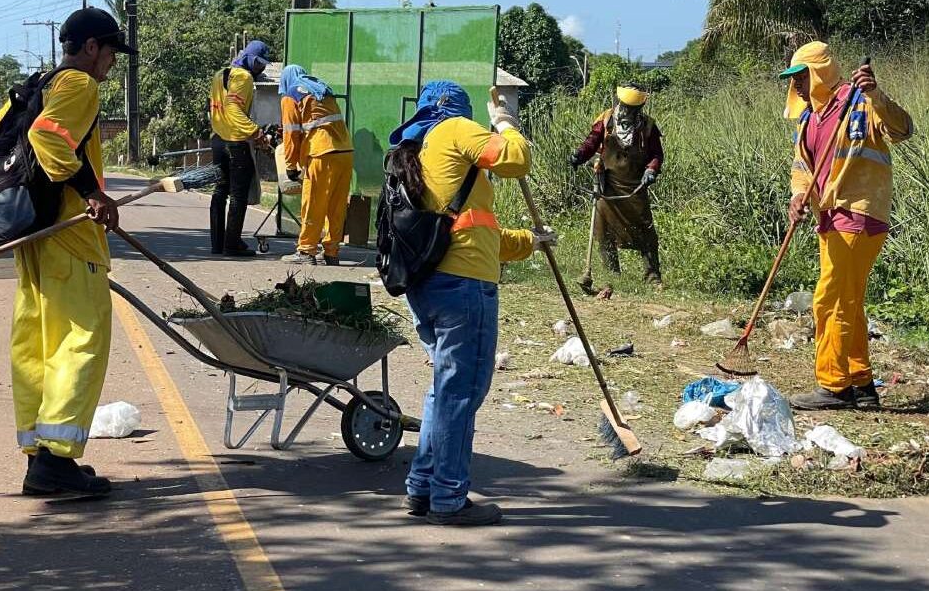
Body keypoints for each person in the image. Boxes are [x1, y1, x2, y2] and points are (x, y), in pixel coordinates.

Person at [0, 7, 133, 495]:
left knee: (36, 346)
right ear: (92, 47)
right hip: (71, 235)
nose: (112, 63)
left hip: (35, 236)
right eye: (111, 52)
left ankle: (41, 456)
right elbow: (46, 135)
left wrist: (3, 186)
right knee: (79, 341)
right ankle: (56, 461)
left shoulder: (40, 84)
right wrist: (92, 193)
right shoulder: (79, 84)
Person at [388, 81, 556, 526]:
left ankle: (422, 488)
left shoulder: (417, 146)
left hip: (430, 285)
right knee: (460, 393)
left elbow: (469, 230)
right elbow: (515, 159)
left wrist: (530, 241)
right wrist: (505, 123)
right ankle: (448, 498)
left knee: (445, 390)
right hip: (463, 288)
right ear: (457, 111)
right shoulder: (454, 129)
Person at [780, 42, 913, 411]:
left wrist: (876, 95)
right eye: (793, 79)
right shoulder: (808, 118)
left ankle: (834, 385)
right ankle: (861, 383)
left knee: (830, 299)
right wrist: (799, 195)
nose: (796, 85)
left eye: (801, 77)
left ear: (819, 73)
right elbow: (802, 168)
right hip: (828, 216)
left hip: (859, 212)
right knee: (848, 302)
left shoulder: (859, 103)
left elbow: (902, 129)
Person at [569, 83, 664, 284]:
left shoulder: (648, 126)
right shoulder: (606, 120)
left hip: (635, 188)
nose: (627, 111)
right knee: (603, 231)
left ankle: (652, 276)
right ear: (619, 102)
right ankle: (613, 275)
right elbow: (592, 142)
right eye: (624, 106)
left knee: (645, 231)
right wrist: (579, 155)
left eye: (632, 108)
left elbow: (656, 154)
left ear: (639, 108)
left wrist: (651, 170)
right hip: (608, 187)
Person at [278, 64, 354, 266]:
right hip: (345, 152)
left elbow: (291, 133)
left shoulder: (292, 95)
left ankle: (306, 250)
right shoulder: (322, 89)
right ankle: (331, 252)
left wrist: (290, 165)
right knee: (336, 206)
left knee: (313, 203)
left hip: (322, 153)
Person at [209, 40, 270, 256]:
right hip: (236, 143)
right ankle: (232, 243)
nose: (260, 68)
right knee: (238, 194)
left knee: (220, 191)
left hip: (218, 140)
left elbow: (218, 107)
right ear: (249, 59)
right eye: (258, 63)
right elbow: (233, 107)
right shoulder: (244, 77)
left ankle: (218, 244)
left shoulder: (220, 74)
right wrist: (255, 132)